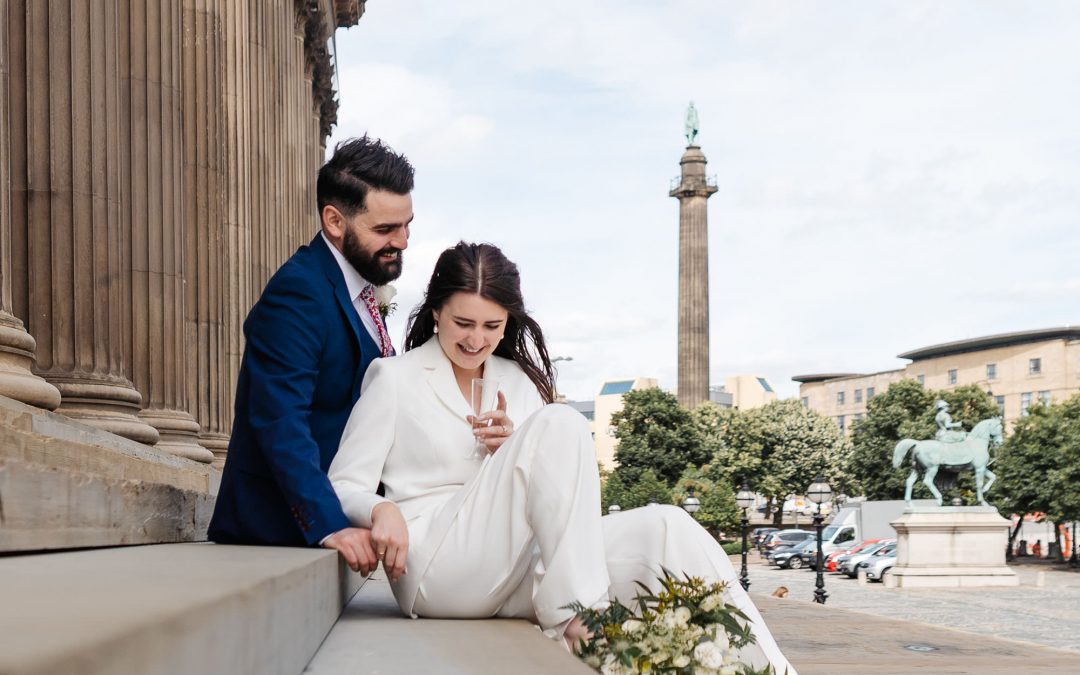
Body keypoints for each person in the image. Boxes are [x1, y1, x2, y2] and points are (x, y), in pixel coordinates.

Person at [327, 242, 796, 673]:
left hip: (517, 570)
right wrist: (380, 508)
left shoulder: (518, 381)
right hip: (436, 567)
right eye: (462, 323)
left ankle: (770, 670)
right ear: (435, 312)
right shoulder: (394, 378)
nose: (476, 340)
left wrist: (512, 448)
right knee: (563, 421)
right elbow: (342, 482)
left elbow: (557, 500)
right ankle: (580, 623)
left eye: (492, 326)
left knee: (667, 527)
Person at [208, 136, 414, 567]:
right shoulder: (299, 291)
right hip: (280, 528)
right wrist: (326, 523)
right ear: (335, 222)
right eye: (385, 230)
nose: (403, 241)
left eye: (407, 224)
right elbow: (279, 419)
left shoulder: (357, 287)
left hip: (353, 513)